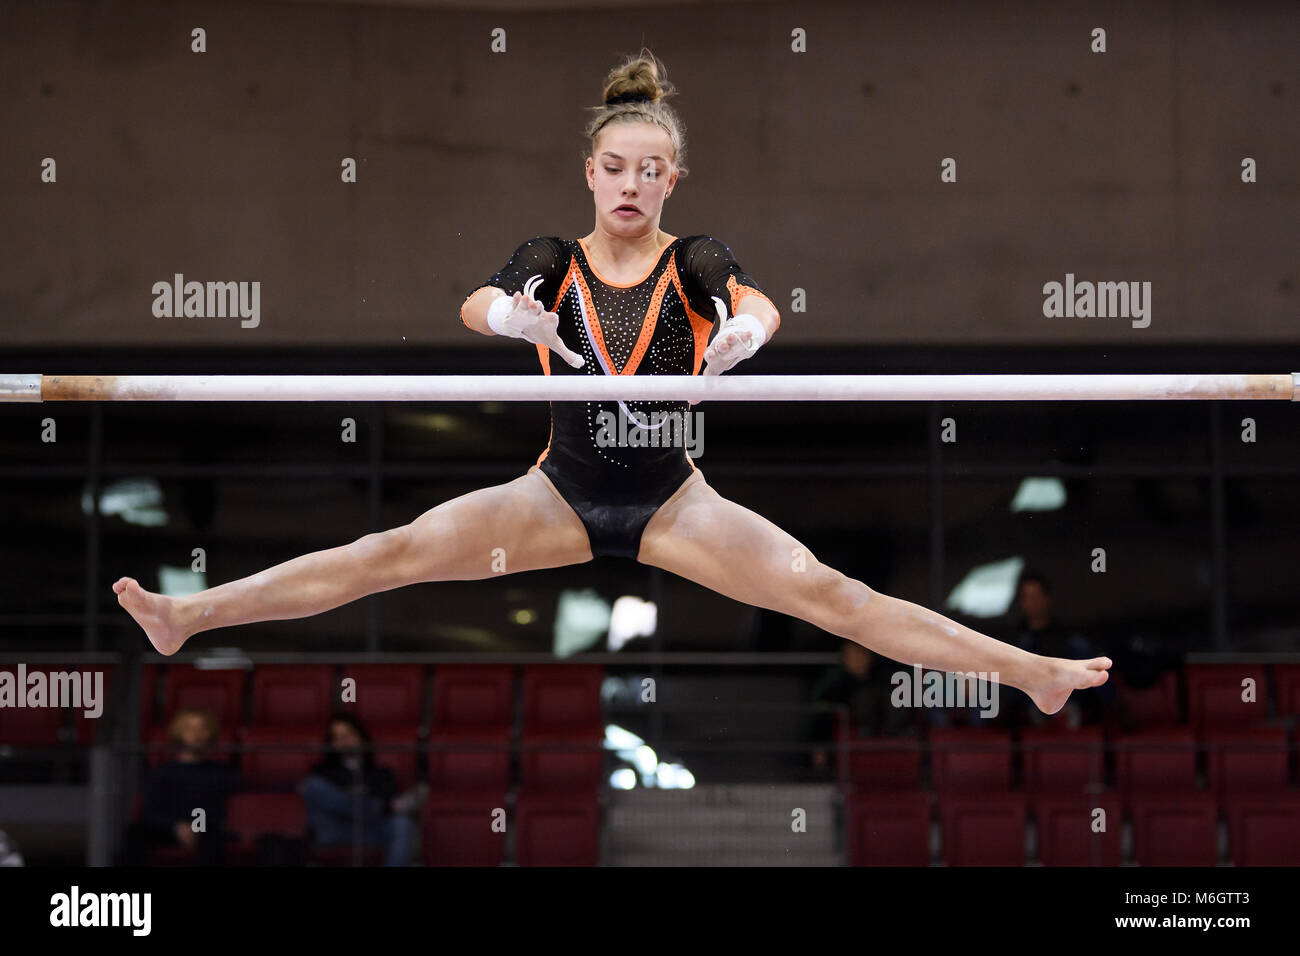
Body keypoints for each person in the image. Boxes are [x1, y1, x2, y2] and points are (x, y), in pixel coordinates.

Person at [110, 50, 1109, 724]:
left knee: (832, 595)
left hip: (674, 501)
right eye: (616, 167)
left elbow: (753, 298)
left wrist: (747, 336)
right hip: (556, 491)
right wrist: (513, 316)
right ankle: (187, 616)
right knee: (392, 552)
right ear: (590, 172)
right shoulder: (550, 256)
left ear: (672, 180)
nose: (631, 183)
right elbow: (478, 301)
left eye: (652, 170)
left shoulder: (694, 261)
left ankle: (1026, 671)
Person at [121, 708, 240, 865]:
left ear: (210, 734)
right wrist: (176, 826)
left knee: (212, 836)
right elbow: (150, 811)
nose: (196, 735)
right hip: (169, 828)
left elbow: (223, 811)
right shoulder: (162, 772)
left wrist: (196, 826)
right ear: (179, 733)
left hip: (206, 828)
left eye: (202, 729)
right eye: (189, 729)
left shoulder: (223, 773)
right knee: (136, 832)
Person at [299, 714, 419, 867]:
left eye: (348, 734)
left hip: (368, 830)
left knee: (402, 824)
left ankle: (370, 808)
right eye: (337, 737)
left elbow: (388, 799)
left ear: (360, 736)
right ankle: (370, 807)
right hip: (337, 829)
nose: (343, 740)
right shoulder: (322, 772)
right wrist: (378, 806)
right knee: (312, 786)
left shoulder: (381, 773)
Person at [809, 644, 916, 772]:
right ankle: (867, 729)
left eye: (861, 655)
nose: (857, 660)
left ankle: (897, 729)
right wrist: (820, 748)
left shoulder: (883, 676)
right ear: (844, 659)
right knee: (863, 698)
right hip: (857, 727)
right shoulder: (837, 684)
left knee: (892, 696)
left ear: (869, 656)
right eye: (852, 656)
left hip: (890, 727)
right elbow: (822, 713)